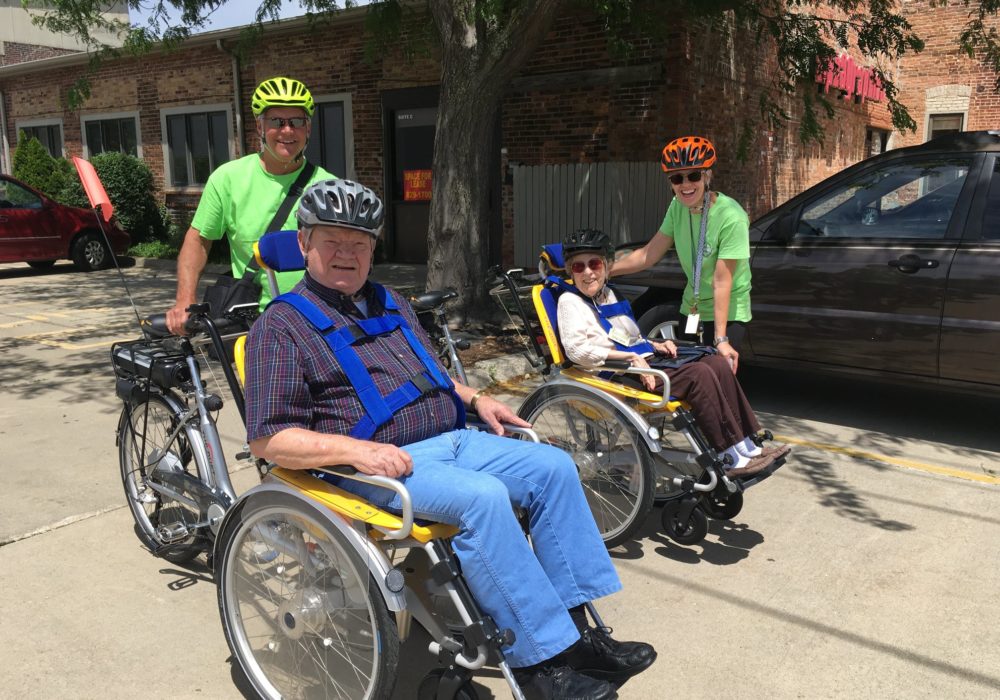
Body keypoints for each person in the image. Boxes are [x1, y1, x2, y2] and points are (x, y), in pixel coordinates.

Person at [244, 179, 656, 700]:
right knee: (484, 500)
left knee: (554, 468)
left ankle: (579, 640)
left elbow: (433, 377)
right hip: (374, 464)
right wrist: (359, 451)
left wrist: (476, 398)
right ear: (304, 243)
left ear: (373, 249)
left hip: (454, 436)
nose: (347, 253)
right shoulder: (280, 327)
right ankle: (541, 670)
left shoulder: (391, 302)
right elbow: (269, 440)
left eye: (359, 243)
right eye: (333, 241)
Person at [557, 228, 789, 477]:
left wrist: (652, 344)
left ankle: (748, 445)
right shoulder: (569, 302)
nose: (588, 272)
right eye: (579, 267)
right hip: (613, 373)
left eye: (594, 264)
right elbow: (576, 350)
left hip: (639, 362)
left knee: (715, 361)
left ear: (605, 266)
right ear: (571, 272)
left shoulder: (608, 295)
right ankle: (729, 456)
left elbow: (624, 336)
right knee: (698, 375)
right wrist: (632, 357)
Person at [166, 76, 336, 334]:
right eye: (276, 121)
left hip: (317, 318)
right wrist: (184, 300)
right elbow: (199, 239)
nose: (287, 130)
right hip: (253, 321)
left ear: (308, 128)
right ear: (260, 126)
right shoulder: (228, 178)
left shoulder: (328, 186)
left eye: (297, 121)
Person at [611, 135, 751, 372]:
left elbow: (721, 282)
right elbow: (648, 254)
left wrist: (721, 339)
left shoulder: (732, 217)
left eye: (693, 176)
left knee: (716, 378)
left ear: (707, 176)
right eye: (677, 178)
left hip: (726, 313)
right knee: (688, 374)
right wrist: (604, 271)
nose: (685, 185)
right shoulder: (678, 206)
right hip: (693, 307)